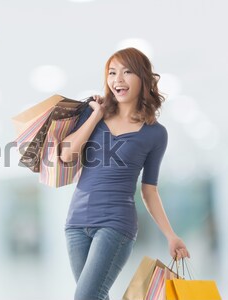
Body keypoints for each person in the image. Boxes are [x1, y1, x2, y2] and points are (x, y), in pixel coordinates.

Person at [58, 47, 190, 300]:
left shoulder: (155, 133)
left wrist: (171, 235)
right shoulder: (91, 114)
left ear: (142, 78)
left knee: (85, 297)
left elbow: (149, 190)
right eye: (112, 72)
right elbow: (66, 154)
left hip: (115, 224)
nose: (118, 79)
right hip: (75, 223)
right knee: (96, 296)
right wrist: (96, 114)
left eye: (127, 72)